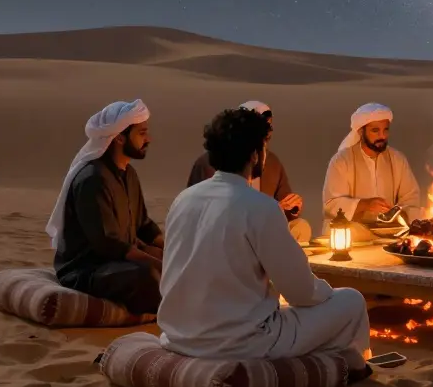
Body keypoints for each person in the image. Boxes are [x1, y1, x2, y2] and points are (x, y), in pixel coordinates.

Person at [159, 107, 372, 360]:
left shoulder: (183, 200)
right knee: (351, 301)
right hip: (242, 342)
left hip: (178, 336)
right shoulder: (260, 206)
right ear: (254, 155)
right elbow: (301, 292)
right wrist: (327, 293)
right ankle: (355, 367)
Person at [46, 99, 163, 316]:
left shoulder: (129, 174)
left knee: (171, 263)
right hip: (88, 269)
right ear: (119, 137)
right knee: (148, 276)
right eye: (142, 133)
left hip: (120, 261)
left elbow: (143, 226)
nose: (148, 139)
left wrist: (173, 251)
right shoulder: (93, 179)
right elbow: (108, 244)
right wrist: (157, 264)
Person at [185, 100, 312, 243]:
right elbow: (225, 220)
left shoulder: (272, 162)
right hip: (231, 236)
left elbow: (282, 202)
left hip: (261, 229)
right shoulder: (209, 166)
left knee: (300, 226)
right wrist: (272, 211)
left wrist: (290, 206)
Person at [322, 103, 427, 241]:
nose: (382, 136)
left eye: (386, 130)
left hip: (391, 229)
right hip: (355, 228)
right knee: (346, 231)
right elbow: (331, 204)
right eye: (375, 130)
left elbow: (411, 198)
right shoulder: (341, 161)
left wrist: (397, 214)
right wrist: (365, 205)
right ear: (361, 131)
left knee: (424, 221)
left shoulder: (397, 159)